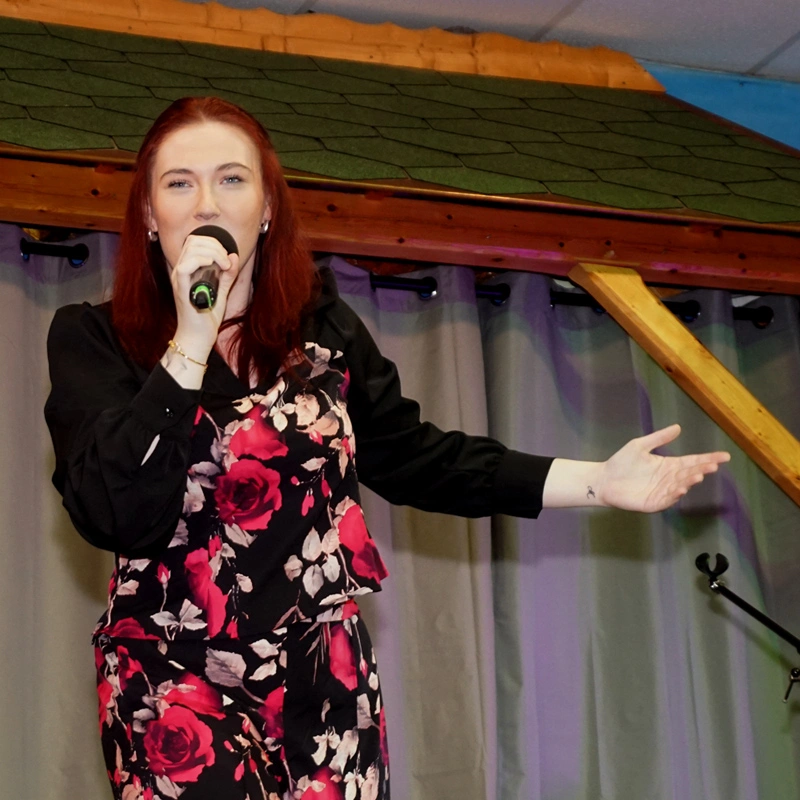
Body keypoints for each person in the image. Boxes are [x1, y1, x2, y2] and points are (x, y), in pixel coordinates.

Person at [44, 96, 730, 800]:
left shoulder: (322, 328)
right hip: (174, 678)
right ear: (150, 214)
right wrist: (190, 341)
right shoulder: (95, 340)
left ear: (267, 208)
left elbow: (416, 457)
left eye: (232, 179)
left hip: (323, 676)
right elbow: (111, 510)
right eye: (179, 183)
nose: (207, 203)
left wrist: (598, 482)